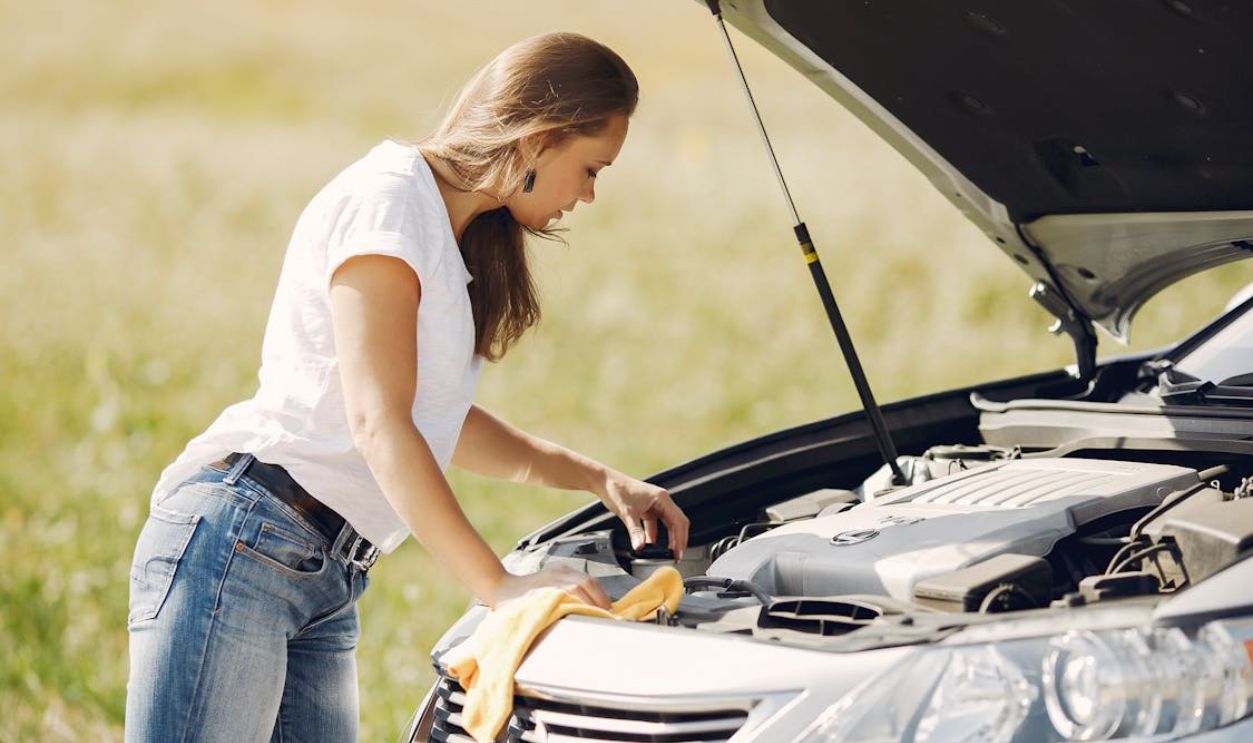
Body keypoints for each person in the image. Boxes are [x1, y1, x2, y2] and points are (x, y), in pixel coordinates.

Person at [124, 31, 690, 742]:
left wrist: (602, 480)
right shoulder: (389, 202)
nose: (588, 194)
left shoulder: (450, 232)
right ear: (540, 139)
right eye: (590, 168)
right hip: (244, 545)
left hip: (323, 573)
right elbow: (379, 421)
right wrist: (499, 585)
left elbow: (437, 420)